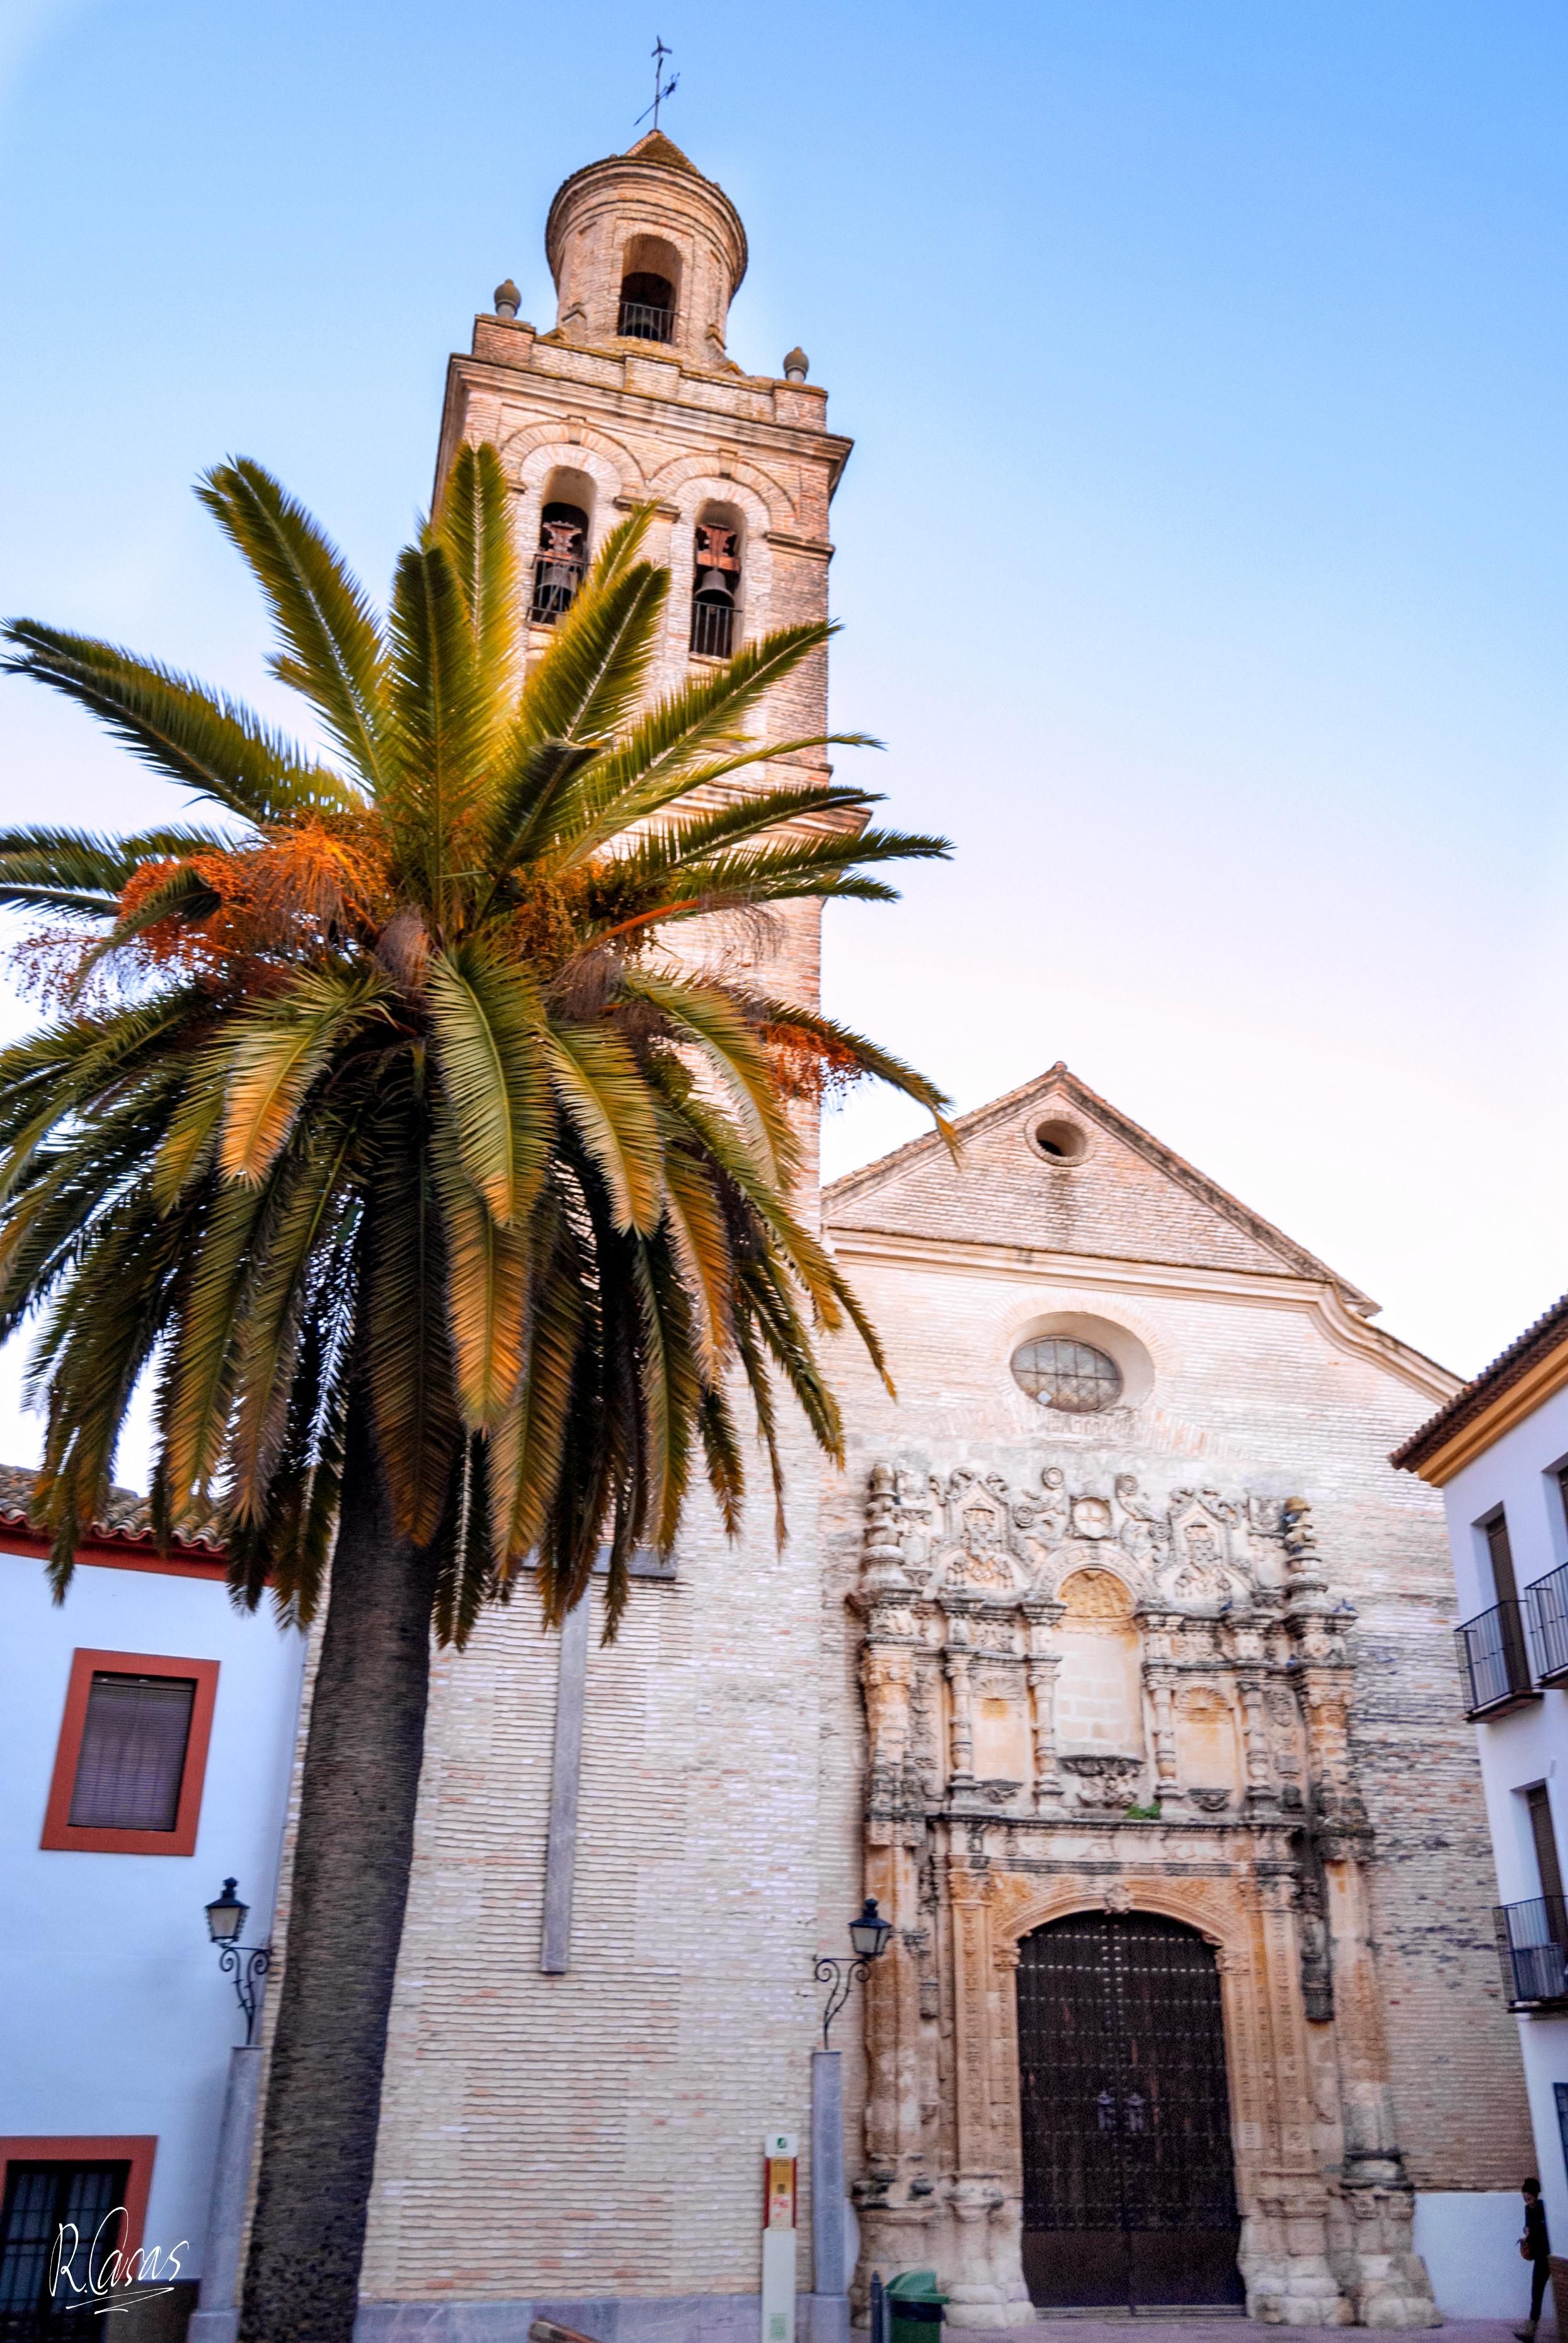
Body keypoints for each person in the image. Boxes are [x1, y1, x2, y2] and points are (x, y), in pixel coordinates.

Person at [1516, 2177, 1552, 2342]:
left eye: (1529, 2198)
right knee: (1536, 2292)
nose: (1527, 2201)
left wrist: (1533, 2230)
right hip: (1539, 2256)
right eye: (1525, 2199)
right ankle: (1532, 2327)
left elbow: (1546, 2227)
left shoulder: (1545, 2207)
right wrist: (1526, 2235)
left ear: (1536, 2195)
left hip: (1550, 2253)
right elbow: (1529, 2227)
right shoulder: (1528, 2209)